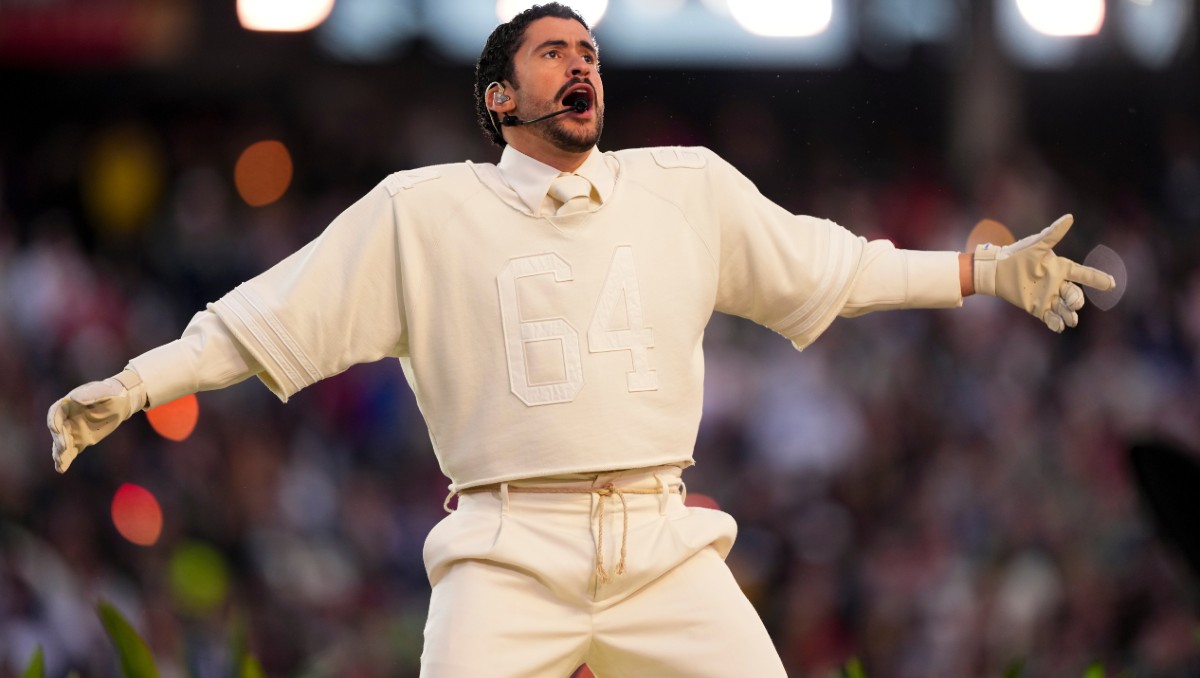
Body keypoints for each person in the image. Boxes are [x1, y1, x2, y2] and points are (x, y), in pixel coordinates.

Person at [47, 3, 1116, 676]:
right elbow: (272, 311)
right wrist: (146, 379)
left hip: (663, 540)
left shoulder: (685, 185)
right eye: (554, 50)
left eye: (590, 50)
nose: (581, 63)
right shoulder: (423, 208)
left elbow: (837, 267)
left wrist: (982, 271)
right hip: (506, 554)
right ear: (501, 96)